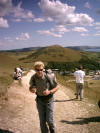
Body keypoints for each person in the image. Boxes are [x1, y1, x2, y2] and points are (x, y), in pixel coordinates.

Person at [29, 61, 58, 133]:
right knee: (42, 121)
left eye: (41, 70)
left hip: (49, 100)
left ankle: (52, 130)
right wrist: (32, 89)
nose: (39, 71)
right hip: (39, 100)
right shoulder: (33, 77)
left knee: (49, 120)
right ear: (34, 69)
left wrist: (49, 92)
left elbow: (57, 87)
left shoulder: (48, 76)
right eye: (37, 70)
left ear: (43, 69)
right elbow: (30, 87)